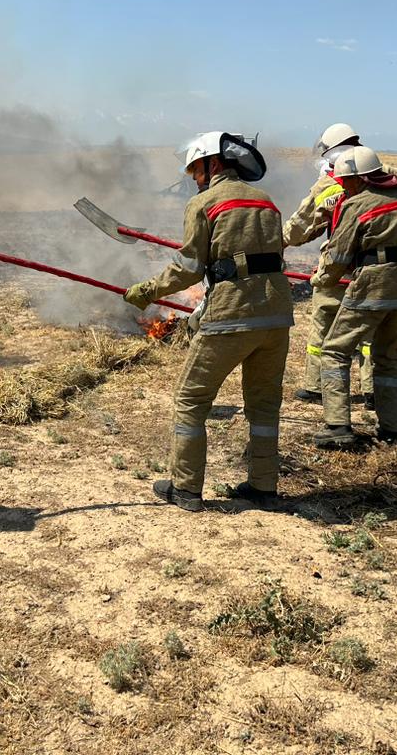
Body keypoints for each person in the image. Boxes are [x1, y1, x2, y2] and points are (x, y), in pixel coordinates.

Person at [123, 132, 293, 512]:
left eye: (196, 170)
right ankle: (263, 488)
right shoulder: (267, 202)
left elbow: (188, 267)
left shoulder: (203, 203)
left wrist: (148, 290)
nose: (194, 178)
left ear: (213, 164)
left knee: (191, 400)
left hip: (231, 315)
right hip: (277, 315)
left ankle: (185, 489)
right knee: (264, 406)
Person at [313, 146, 397, 449]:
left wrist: (322, 279)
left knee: (334, 351)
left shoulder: (357, 204)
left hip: (372, 285)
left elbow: (339, 254)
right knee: (387, 358)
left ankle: (337, 426)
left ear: (361, 178)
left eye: (346, 180)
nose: (343, 186)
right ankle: (393, 429)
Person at [281, 122, 372, 406]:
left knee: (323, 326)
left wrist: (277, 244)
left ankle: (316, 385)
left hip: (337, 271)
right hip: (375, 272)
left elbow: (300, 228)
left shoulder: (331, 184)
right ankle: (373, 390)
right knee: (370, 334)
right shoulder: (385, 175)